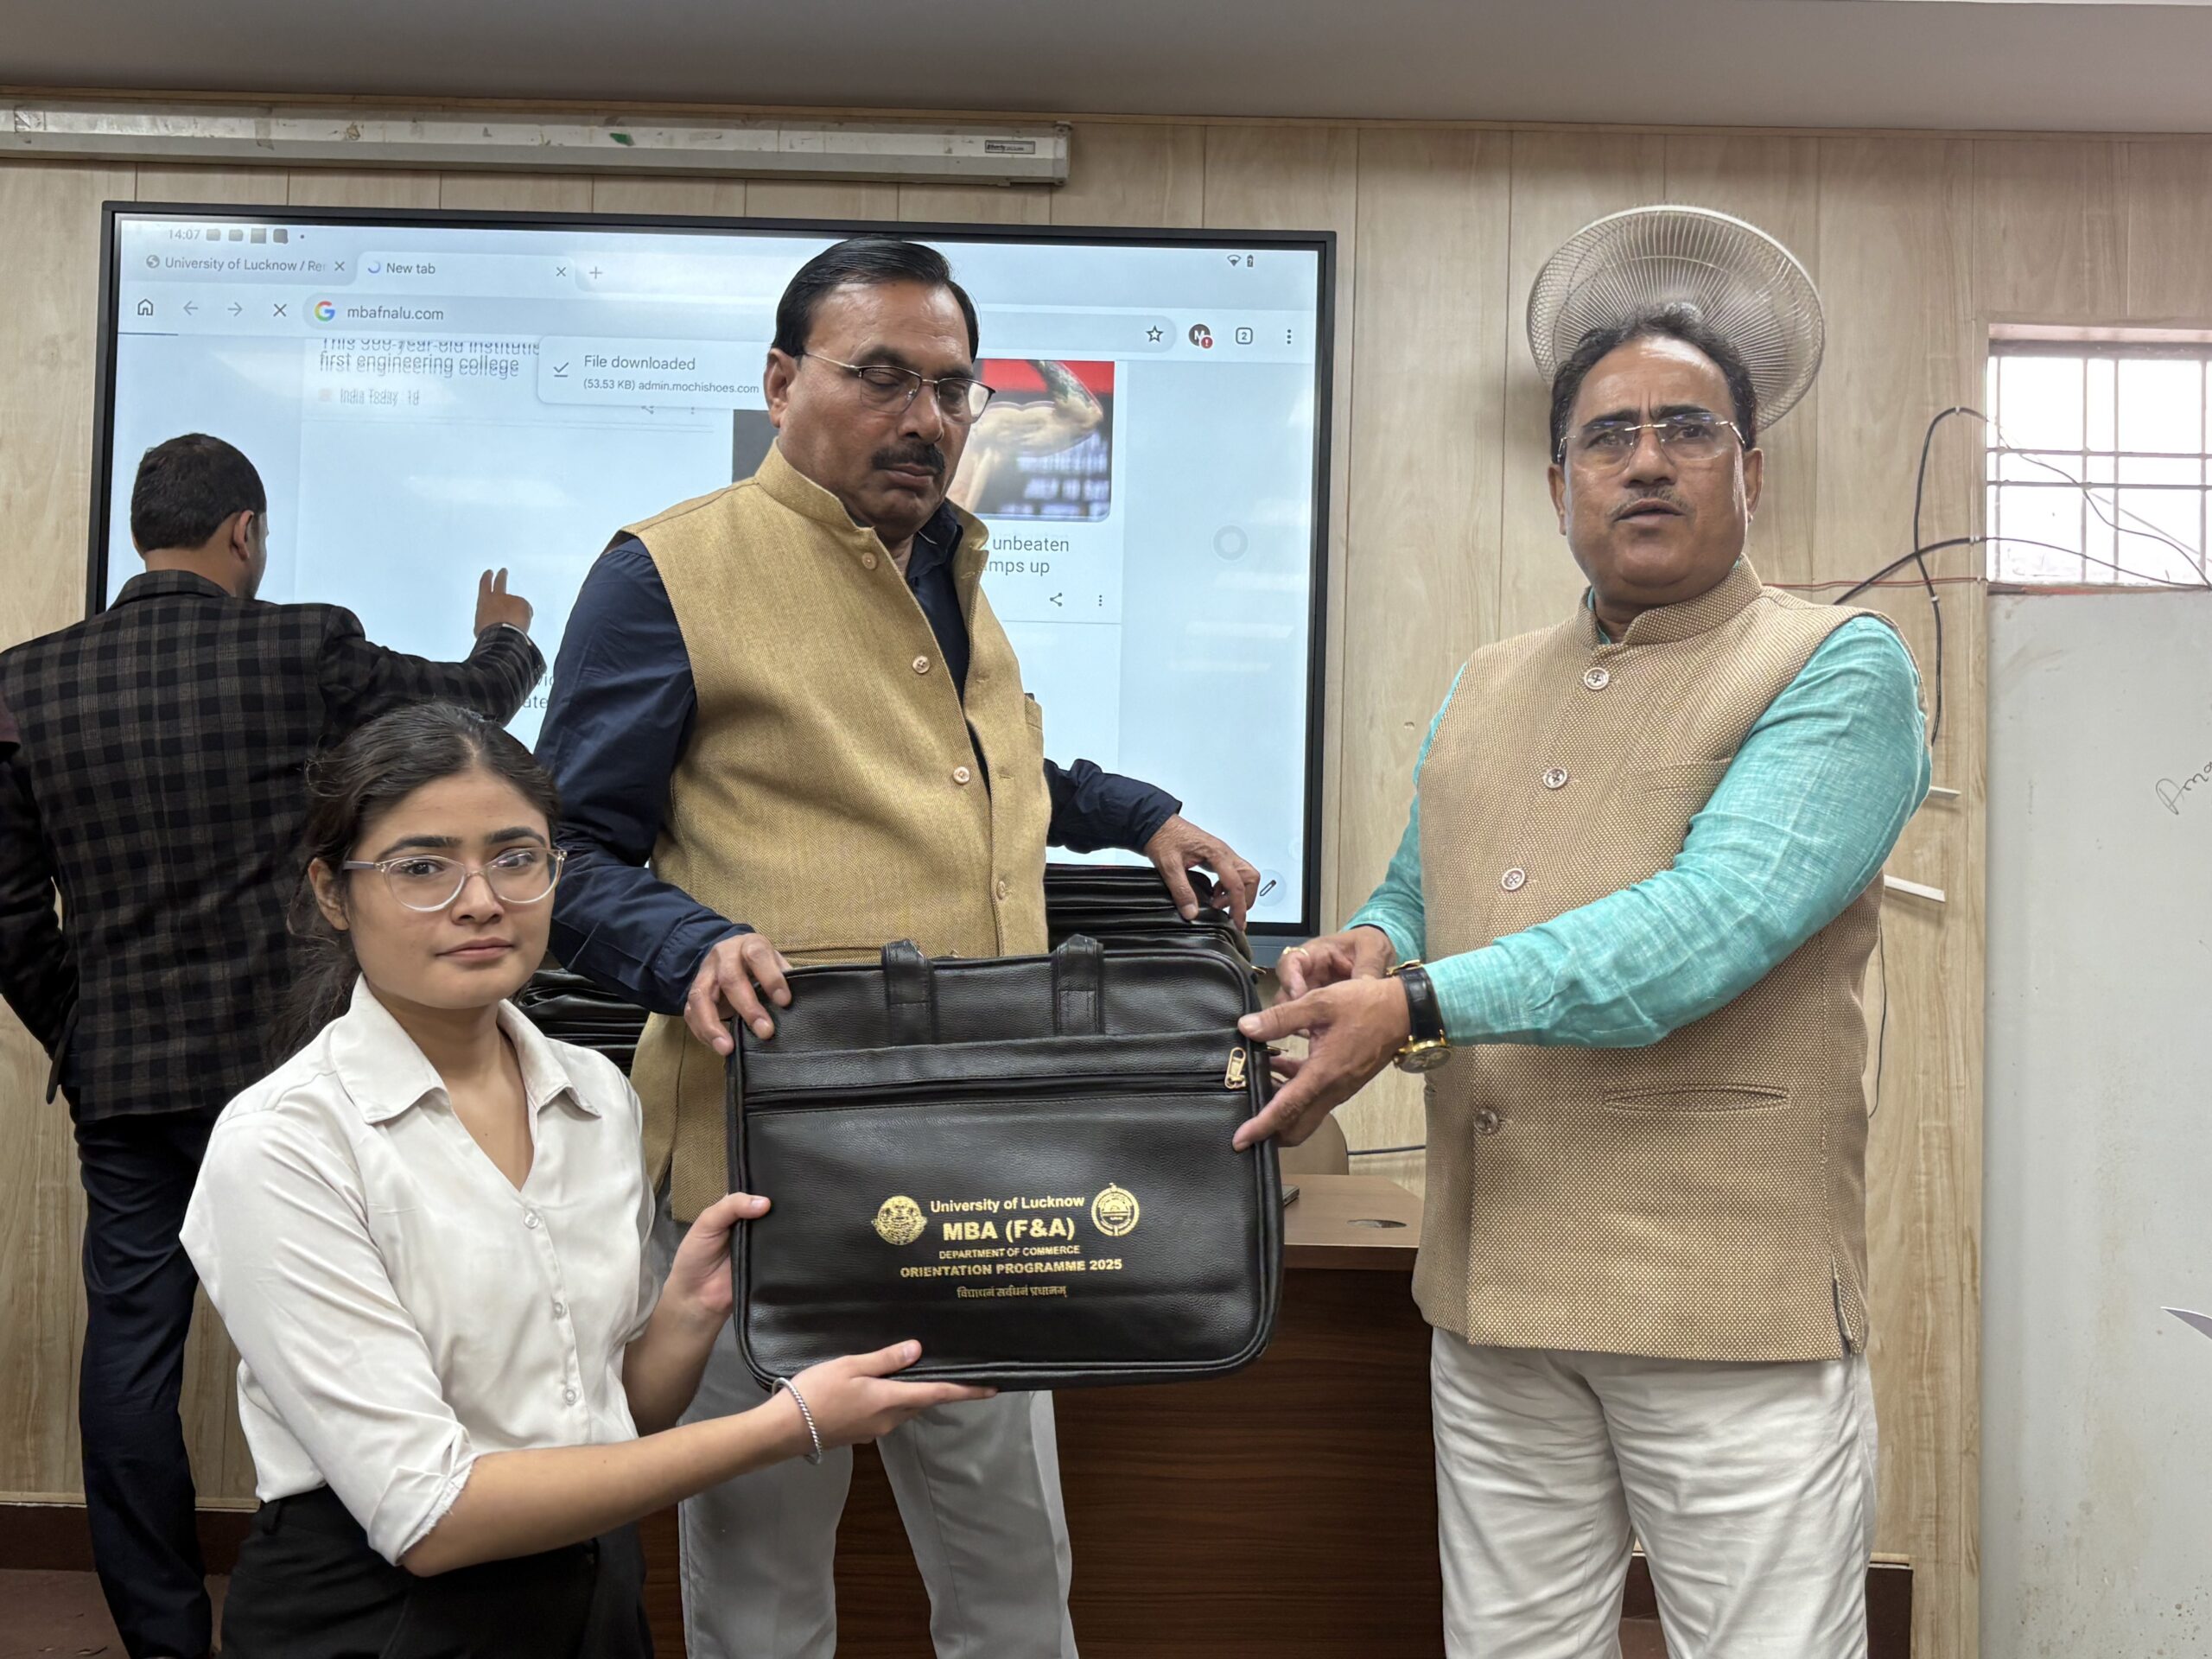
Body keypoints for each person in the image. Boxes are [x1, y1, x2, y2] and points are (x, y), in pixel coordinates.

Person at [537, 235, 1262, 1659]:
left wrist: (1140, 814)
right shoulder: (667, 571)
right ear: (781, 382)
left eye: (949, 388)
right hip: (767, 1179)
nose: (924, 417)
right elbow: (558, 852)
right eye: (881, 377)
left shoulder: (948, 564)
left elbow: (980, 772)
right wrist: (687, 944)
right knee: (762, 1589)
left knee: (1014, 1576)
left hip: (992, 1171)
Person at [1239, 304, 1930, 1658]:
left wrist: (1416, 1002)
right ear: (1560, 486)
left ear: (1750, 470)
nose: (1647, 460)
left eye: (1688, 430)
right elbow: (1420, 889)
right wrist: (1371, 944)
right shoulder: (1489, 681)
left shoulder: (1836, 664)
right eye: (1609, 438)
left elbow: (1710, 925)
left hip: (1724, 1303)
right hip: (1494, 1295)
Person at [181, 702, 981, 1658]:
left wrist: (689, 1310)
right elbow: (429, 1517)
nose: (481, 902)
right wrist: (788, 1425)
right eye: (422, 868)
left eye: (516, 858)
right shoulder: (284, 1143)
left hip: (596, 1597)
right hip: (380, 1618)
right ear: (331, 893)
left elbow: (612, 1415)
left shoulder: (596, 1093)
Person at [0, 433, 542, 1659]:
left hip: (126, 1079)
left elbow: (9, 911)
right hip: (294, 1069)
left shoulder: (27, 681)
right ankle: (357, 1605)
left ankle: (163, 1639)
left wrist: (80, 1028)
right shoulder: (303, 645)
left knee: (130, 1356)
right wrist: (506, 634)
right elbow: (465, 711)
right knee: (362, 1328)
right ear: (244, 530)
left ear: (143, 531)